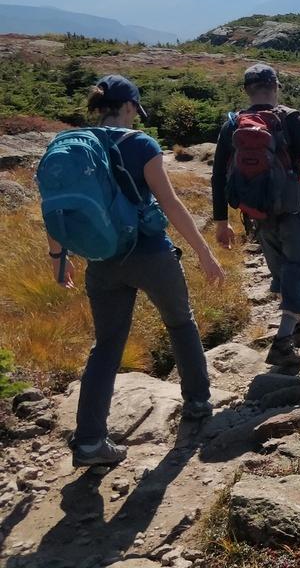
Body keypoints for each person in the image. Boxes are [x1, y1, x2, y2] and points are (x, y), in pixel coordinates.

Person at [46, 75, 226, 467]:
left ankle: (89, 442)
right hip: (151, 254)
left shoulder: (73, 146)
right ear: (128, 106)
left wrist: (58, 257)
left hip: (102, 260)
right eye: (135, 110)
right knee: (180, 323)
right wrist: (203, 252)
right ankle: (197, 402)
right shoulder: (141, 144)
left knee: (107, 346)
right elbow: (170, 203)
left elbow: (57, 207)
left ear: (99, 107)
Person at [211, 64, 300, 367]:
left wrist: (222, 222)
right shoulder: (289, 119)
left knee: (281, 272)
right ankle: (283, 341)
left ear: (246, 90)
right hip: (293, 209)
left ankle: (299, 327)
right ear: (276, 87)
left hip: (258, 213)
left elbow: (218, 176)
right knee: (299, 266)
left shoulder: (233, 124)